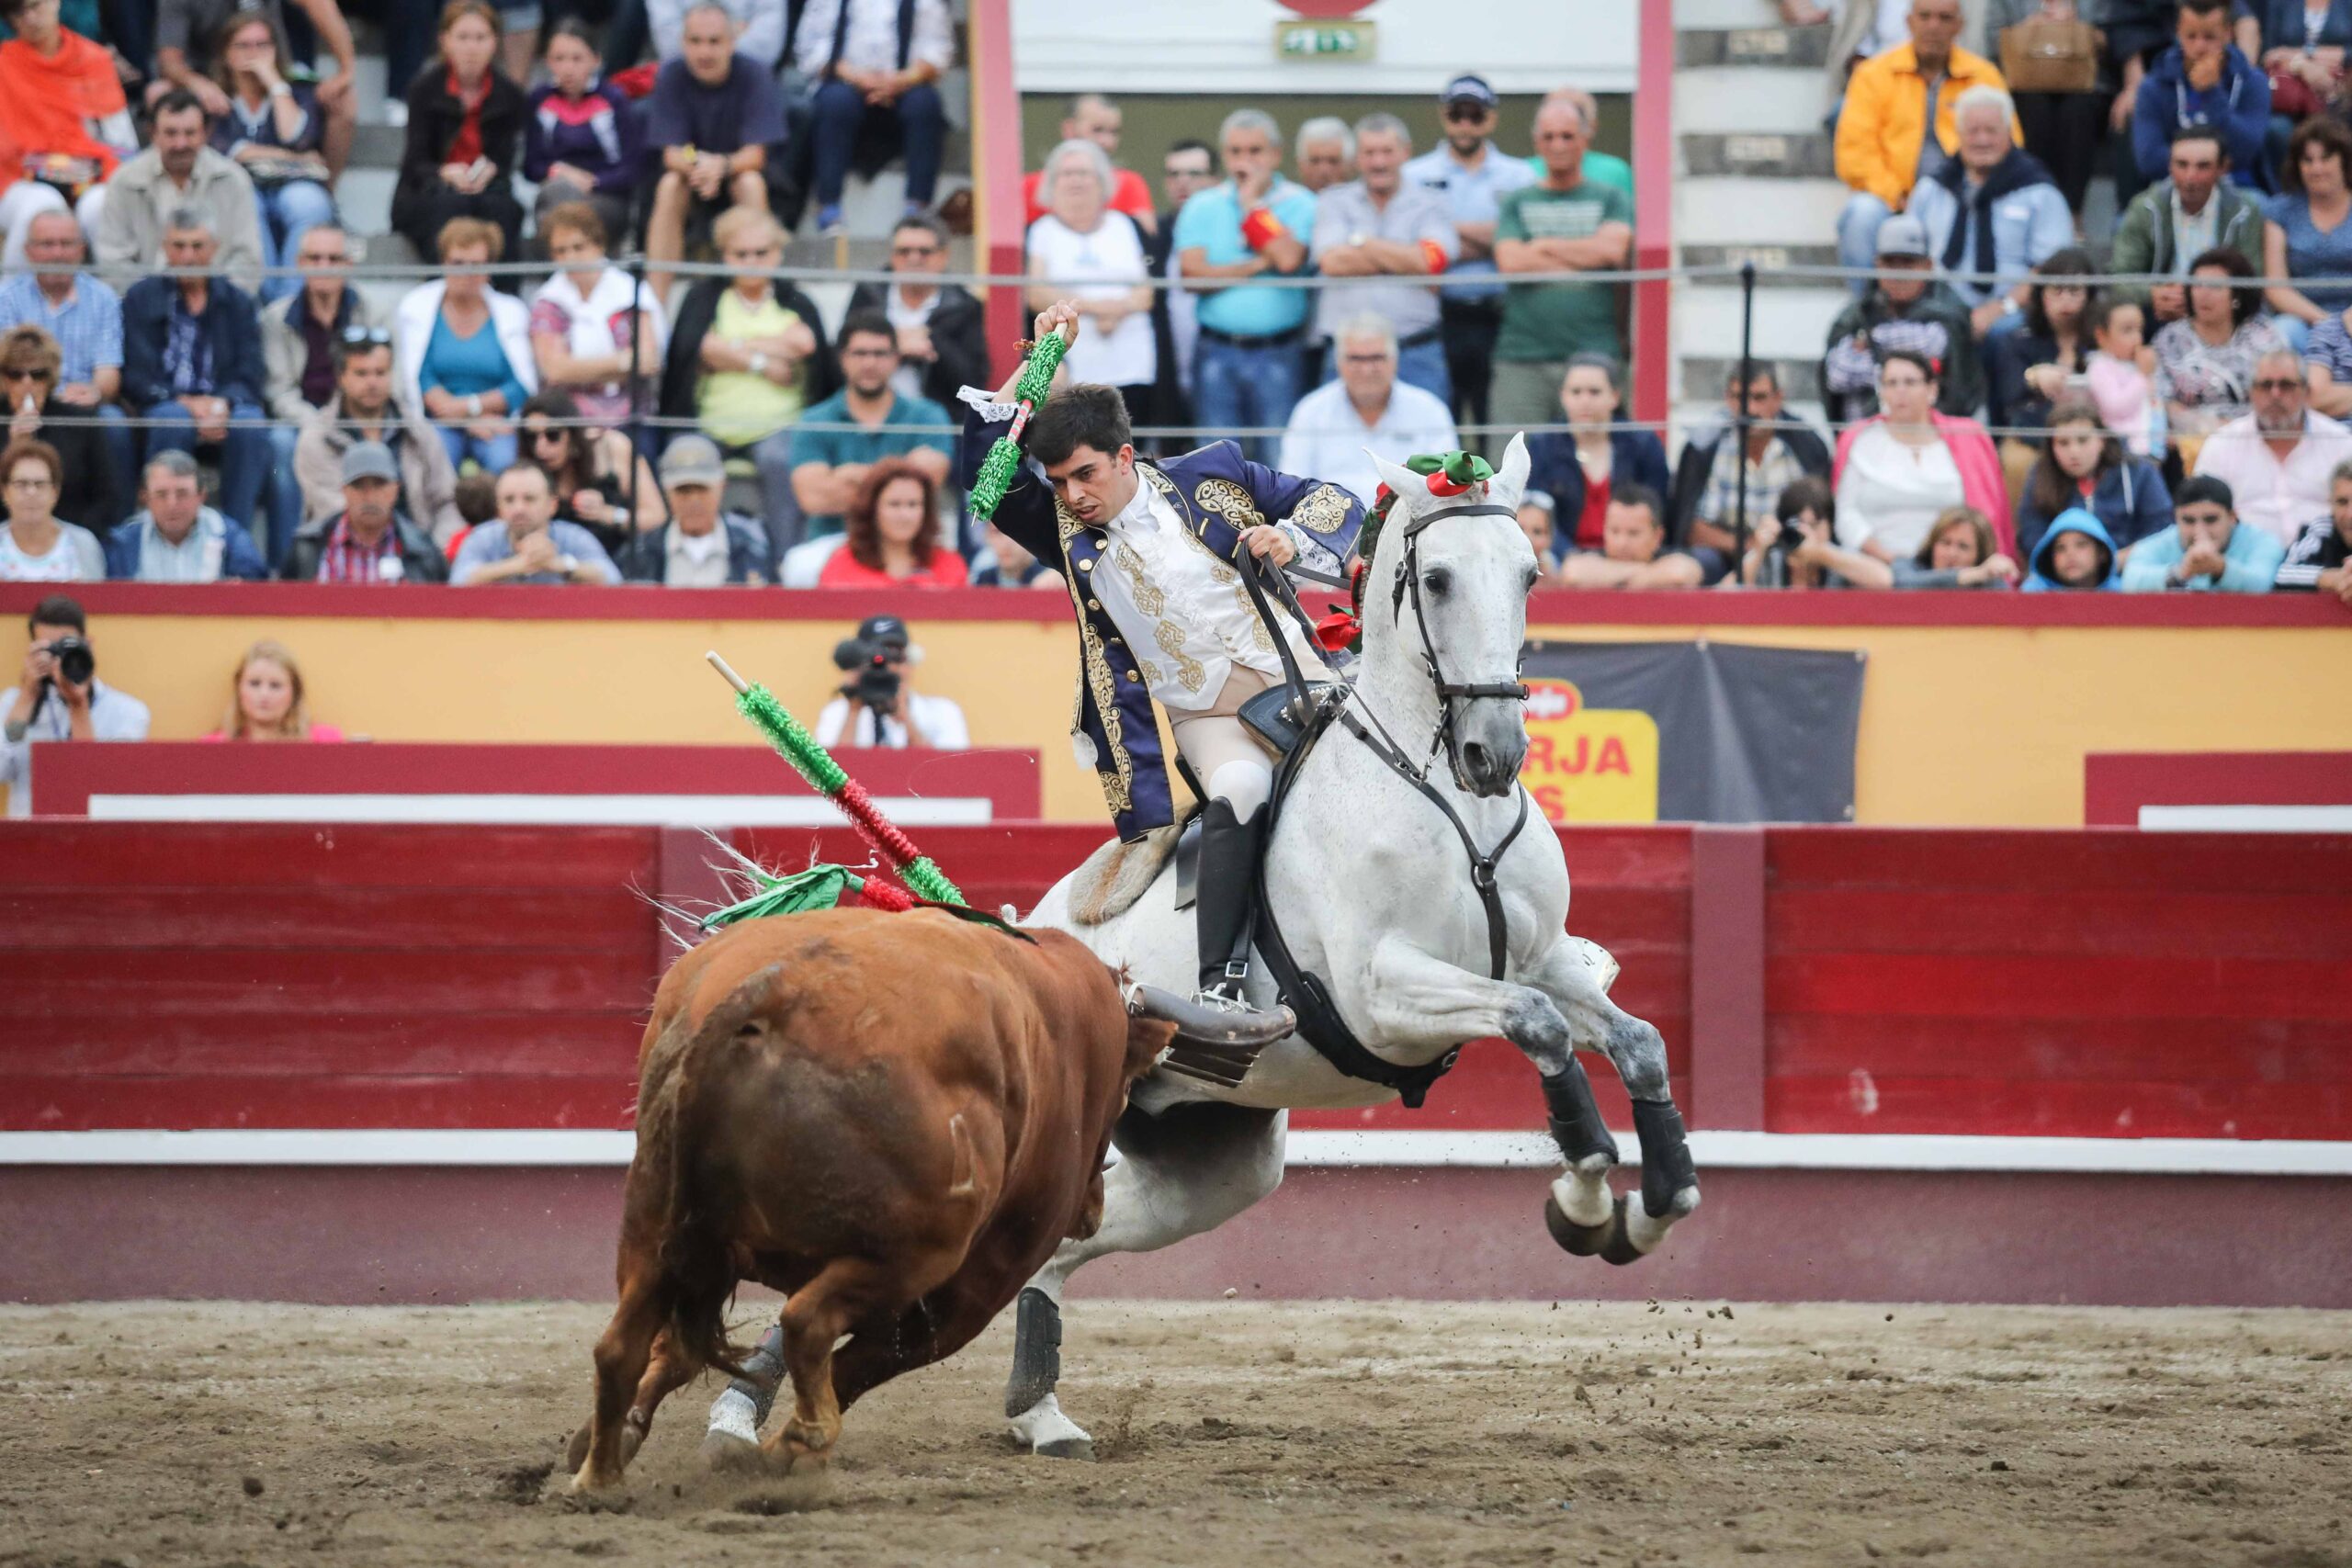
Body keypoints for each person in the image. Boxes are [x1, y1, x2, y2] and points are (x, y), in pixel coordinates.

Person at [964, 299, 1364, 1008]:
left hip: (1307, 682)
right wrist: (1040, 361)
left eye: (1085, 474)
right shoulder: (1058, 529)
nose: (1072, 495)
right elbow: (982, 465)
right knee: (1239, 791)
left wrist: (1292, 539)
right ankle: (1221, 987)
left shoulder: (1215, 471)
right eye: (1058, 481)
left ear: (1124, 456)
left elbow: (1332, 498)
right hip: (1211, 719)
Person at [660, 205, 839, 563]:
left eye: (761, 253)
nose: (751, 261)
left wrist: (730, 351)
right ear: (724, 255)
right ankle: (678, 564)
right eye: (740, 254)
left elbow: (806, 346)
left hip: (779, 428)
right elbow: (696, 347)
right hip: (708, 426)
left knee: (783, 458)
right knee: (684, 457)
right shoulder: (704, 299)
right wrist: (765, 360)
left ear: (777, 254)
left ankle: (787, 564)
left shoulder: (795, 302)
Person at [1833, 0, 2010, 294]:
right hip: (1893, 201)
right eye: (1925, 16)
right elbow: (1854, 154)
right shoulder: (1873, 74)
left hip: (1963, 197)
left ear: (1959, 25)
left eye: (1944, 18)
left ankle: (1963, 315)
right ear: (1909, 21)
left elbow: (2008, 143)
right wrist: (1899, 196)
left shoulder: (1983, 76)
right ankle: (1865, 311)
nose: (1933, 26)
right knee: (1860, 214)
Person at [1173, 108, 1319, 460]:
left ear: (1276, 154)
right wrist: (1257, 263)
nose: (1245, 161)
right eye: (1235, 152)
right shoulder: (1202, 204)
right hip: (1216, 351)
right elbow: (1192, 276)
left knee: (1280, 458)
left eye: (1255, 151)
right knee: (1215, 461)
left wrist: (1251, 205)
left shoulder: (1300, 203)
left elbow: (1286, 259)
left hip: (1279, 351)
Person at [119, 211, 270, 540]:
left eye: (197, 246)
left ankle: (236, 537)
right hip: (166, 403)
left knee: (251, 423)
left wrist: (223, 403)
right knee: (171, 418)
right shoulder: (141, 298)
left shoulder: (238, 301)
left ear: (214, 248)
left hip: (224, 404)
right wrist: (186, 404)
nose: (188, 256)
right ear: (165, 248)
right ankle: (160, 532)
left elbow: (251, 369)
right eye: (179, 246)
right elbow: (136, 374)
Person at [1491, 95, 1635, 432]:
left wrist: (1544, 246)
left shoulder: (1610, 197)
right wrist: (1585, 257)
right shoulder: (1517, 201)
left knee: (1600, 462)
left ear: (1585, 140)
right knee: (1508, 471)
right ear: (1537, 142)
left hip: (1596, 354)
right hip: (1523, 357)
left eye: (1568, 136)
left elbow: (1612, 252)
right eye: (1549, 136)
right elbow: (1511, 262)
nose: (1558, 145)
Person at [1406, 73, 1536, 439]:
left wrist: (1445, 232)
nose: (1465, 123)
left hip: (1500, 316)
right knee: (1438, 420)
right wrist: (1492, 236)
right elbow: (1413, 247)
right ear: (1443, 116)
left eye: (1475, 114)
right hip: (1438, 316)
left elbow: (1521, 244)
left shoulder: (1520, 175)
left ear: (1491, 118)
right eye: (1456, 114)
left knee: (1493, 423)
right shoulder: (1414, 174)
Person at [1308, 113, 1457, 404]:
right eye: (1369, 153)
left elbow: (1430, 263)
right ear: (1356, 159)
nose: (1379, 162)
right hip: (1345, 357)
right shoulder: (1332, 201)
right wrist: (1403, 257)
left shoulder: (1432, 203)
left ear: (1405, 152)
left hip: (1415, 351)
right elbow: (1332, 262)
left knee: (1429, 448)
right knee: (1339, 448)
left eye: (1387, 151)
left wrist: (1359, 242)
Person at [1905, 85, 2073, 340]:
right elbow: (1909, 259)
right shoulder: (1931, 190)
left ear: (2008, 133)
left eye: (1991, 131)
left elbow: (2052, 268)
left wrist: (2000, 309)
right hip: (1937, 309)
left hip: (2013, 313)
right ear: (1958, 134)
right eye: (1973, 131)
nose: (1982, 140)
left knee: (2004, 335)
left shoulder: (2039, 193)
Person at [645, 3, 784, 299]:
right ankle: (655, 307)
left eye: (714, 41)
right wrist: (702, 165)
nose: (704, 52)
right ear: (683, 43)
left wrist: (719, 165)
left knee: (750, 181)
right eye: (695, 41)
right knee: (670, 184)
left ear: (732, 42)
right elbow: (672, 153)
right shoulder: (671, 73)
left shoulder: (755, 73)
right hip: (693, 178)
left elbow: (756, 154)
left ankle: (761, 296)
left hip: (737, 175)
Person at [788, 0, 955, 235]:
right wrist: (858, 78)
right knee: (834, 102)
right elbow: (811, 46)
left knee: (926, 104)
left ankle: (918, 208)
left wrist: (900, 80)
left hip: (904, 85)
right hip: (845, 82)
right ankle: (828, 206)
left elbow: (938, 49)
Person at [1833, 348, 2014, 561]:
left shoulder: (1968, 437)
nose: (1900, 390)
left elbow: (1984, 517)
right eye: (1891, 383)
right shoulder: (1859, 439)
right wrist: (1892, 562)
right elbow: (1845, 515)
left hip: (1953, 568)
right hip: (1875, 569)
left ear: (1932, 389)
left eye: (1910, 382)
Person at [788, 310, 953, 541]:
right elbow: (812, 498)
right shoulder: (814, 420)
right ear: (842, 358)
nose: (869, 363)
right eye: (860, 353)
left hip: (909, 544)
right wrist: (899, 475)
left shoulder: (928, 416)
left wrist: (847, 476)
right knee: (799, 567)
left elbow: (929, 483)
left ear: (897, 358)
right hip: (833, 541)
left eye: (880, 353)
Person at [1025, 138, 1157, 425]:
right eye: (1067, 174)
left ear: (1101, 180)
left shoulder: (1125, 225)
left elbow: (1146, 293)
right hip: (1073, 363)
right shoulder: (1042, 231)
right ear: (1051, 183)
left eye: (1084, 173)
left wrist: (1116, 310)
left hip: (1131, 360)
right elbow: (1036, 294)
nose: (1076, 181)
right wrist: (1100, 308)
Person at [208, 9, 334, 305]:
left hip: (291, 186)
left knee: (309, 201)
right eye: (244, 46)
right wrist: (293, 158)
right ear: (226, 53)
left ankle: (287, 302)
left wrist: (275, 83)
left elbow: (297, 137)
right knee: (246, 200)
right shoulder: (216, 97)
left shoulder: (299, 91)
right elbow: (230, 152)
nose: (255, 54)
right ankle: (260, 295)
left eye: (263, 45)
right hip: (240, 187)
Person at [395, 215, 537, 476]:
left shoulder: (513, 311)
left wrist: (469, 408)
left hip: (496, 422)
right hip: (437, 421)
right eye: (458, 263)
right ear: (443, 262)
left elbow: (521, 384)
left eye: (476, 264)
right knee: (436, 462)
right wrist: (465, 419)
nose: (466, 273)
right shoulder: (415, 307)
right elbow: (417, 375)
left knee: (504, 463)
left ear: (490, 266)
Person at [153, 0, 358, 181]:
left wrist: (346, 69)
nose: (251, 53)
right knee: (159, 93)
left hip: (275, 72)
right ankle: (177, 191)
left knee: (345, 99)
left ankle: (324, 195)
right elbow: (168, 61)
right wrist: (198, 84)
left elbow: (318, 2)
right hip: (210, 76)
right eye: (245, 47)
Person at [389, 0, 526, 265]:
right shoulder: (423, 89)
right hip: (428, 190)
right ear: (445, 41)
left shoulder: (509, 95)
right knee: (450, 206)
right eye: (462, 37)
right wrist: (444, 173)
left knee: (504, 209)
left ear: (494, 42)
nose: (471, 47)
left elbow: (505, 159)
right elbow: (416, 162)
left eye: (480, 37)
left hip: (485, 189)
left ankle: (504, 296)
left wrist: (490, 170)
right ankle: (443, 290)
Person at [92, 88, 266, 297]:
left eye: (190, 133)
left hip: (220, 311)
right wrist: (149, 304)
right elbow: (113, 262)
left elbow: (247, 260)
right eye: (171, 133)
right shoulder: (124, 181)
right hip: (144, 312)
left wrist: (213, 305)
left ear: (205, 133)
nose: (180, 143)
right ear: (152, 132)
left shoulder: (233, 180)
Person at [294, 332, 465, 542]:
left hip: (418, 553)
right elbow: (331, 509)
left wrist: (435, 551)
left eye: (380, 372)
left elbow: (448, 500)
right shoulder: (317, 435)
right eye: (361, 373)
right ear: (341, 377)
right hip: (344, 554)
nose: (372, 382)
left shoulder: (418, 430)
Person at [1276, 313, 1459, 507]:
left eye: (1376, 358)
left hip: (1409, 527)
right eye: (1356, 359)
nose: (1366, 370)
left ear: (1394, 360)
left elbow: (1447, 485)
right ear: (1338, 362)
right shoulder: (1310, 412)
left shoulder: (1429, 410)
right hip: (1330, 529)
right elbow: (1293, 488)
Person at [0, 0, 133, 266]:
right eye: (18, 12)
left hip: (90, 175)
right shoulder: (4, 63)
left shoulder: (94, 59)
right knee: (41, 205)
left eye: (35, 6)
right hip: (17, 178)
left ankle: (120, 300)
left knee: (102, 205)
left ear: (56, 3)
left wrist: (88, 166)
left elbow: (122, 144)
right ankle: (8, 302)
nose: (29, 18)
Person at [1821, 211, 1987, 423]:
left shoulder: (1948, 308)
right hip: (1866, 437)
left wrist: (1870, 345)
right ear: (1877, 265)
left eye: (1908, 262)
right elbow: (1838, 374)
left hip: (1934, 438)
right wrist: (1912, 364)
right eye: (1890, 262)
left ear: (1928, 266)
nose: (1899, 273)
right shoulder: (1859, 312)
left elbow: (1936, 344)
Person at [1668, 362, 1834, 566]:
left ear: (1778, 398)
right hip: (1726, 559)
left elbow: (1822, 523)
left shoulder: (1806, 445)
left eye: (1759, 397)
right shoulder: (1706, 446)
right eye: (1740, 397)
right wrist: (1750, 546)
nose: (1750, 409)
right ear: (1727, 398)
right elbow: (1692, 530)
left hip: (1790, 556)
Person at [1, 593, 150, 817]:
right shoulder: (14, 702)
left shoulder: (128, 712)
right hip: (29, 836)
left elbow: (102, 785)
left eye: (67, 648)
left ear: (88, 645)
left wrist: (77, 705)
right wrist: (27, 697)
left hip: (93, 840)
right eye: (50, 651)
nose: (59, 660)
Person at [2191, 345, 2352, 546]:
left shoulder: (2341, 442)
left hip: (2326, 565)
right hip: (2246, 567)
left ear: (2306, 392)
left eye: (2285, 385)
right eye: (2265, 385)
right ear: (2250, 393)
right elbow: (2198, 515)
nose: (2275, 394)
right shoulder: (2222, 444)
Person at [529, 201, 664, 435]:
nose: (570, 258)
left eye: (578, 247)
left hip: (631, 419)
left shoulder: (632, 291)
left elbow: (648, 360)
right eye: (561, 251)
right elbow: (555, 371)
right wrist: (623, 361)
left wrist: (577, 368)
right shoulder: (548, 301)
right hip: (569, 424)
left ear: (598, 245)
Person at [2109, 127, 2265, 326]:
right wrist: (2154, 293)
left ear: (2223, 168)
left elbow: (2253, 281)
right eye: (2181, 165)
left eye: (2203, 166)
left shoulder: (2243, 211)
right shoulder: (2145, 207)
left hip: (2222, 316)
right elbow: (2119, 277)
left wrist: (2212, 298)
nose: (2190, 177)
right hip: (2158, 314)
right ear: (2169, 166)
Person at [0, 213, 122, 451]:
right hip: (19, 396)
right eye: (47, 244)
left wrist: (94, 391)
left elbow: (109, 371)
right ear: (28, 251)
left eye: (66, 244)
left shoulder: (104, 298)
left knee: (112, 422)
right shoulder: (6, 298)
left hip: (82, 403)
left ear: (81, 250)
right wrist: (30, 393)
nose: (57, 253)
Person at [1525, 354, 1668, 556]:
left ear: (1615, 397)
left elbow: (1657, 511)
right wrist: (1569, 558)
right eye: (1576, 392)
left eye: (1594, 392)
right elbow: (1534, 516)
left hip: (1633, 557)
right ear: (1562, 396)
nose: (1585, 401)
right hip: (1562, 561)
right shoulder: (1542, 444)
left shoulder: (1644, 443)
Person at [523, 19, 644, 247]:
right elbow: (531, 166)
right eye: (559, 59)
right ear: (548, 61)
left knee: (568, 208)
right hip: (555, 191)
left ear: (596, 60)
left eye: (577, 59)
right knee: (559, 192)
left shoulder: (614, 100)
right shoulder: (540, 100)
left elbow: (632, 168)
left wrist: (593, 182)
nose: (568, 68)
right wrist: (558, 171)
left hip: (607, 198)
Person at [848, 213, 988, 411]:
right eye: (904, 251)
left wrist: (932, 342)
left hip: (938, 426)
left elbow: (972, 381)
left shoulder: (965, 306)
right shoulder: (867, 294)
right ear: (892, 256)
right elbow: (841, 359)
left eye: (924, 251)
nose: (914, 259)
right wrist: (894, 344)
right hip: (866, 419)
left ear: (944, 256)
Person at [1984, 0, 2109, 215]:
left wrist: (2076, 30)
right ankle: (2032, 200)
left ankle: (2072, 211)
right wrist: (2030, 28)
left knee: (2078, 111)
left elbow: (2109, 40)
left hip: (2080, 83)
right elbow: (1994, 42)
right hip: (2024, 84)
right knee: (2034, 109)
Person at [2129, 0, 2269, 189]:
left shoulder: (2253, 81)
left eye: (2210, 37)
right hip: (2171, 189)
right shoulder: (2153, 85)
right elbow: (2149, 159)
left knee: (2265, 211)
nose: (2199, 47)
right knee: (2124, 220)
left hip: (2237, 189)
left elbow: (2245, 152)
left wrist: (2211, 93)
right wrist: (2204, 164)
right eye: (2191, 36)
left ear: (2228, 33)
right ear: (2178, 31)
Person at [2156, 246, 2289, 439]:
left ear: (2236, 296)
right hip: (2192, 441)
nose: (2203, 294)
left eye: (2215, 286)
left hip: (2257, 437)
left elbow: (2282, 393)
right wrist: (2210, 429)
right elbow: (2163, 402)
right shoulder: (2170, 339)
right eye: (2197, 285)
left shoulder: (2264, 335)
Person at [2013, 401, 2175, 559]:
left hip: (2129, 574)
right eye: (2063, 443)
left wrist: (2115, 561)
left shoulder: (2140, 472)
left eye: (2083, 440)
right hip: (2061, 576)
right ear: (2051, 447)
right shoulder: (2040, 474)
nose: (2074, 452)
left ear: (2102, 441)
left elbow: (2160, 530)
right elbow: (2031, 534)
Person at [0, 323, 120, 534]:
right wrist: (13, 449)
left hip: (72, 537)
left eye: (38, 374)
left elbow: (106, 497)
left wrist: (73, 538)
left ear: (50, 378)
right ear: (4, 379)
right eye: (16, 374)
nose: (27, 382)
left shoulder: (78, 421)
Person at [519, 389, 665, 555]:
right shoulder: (524, 473)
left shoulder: (611, 448)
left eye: (552, 435)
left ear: (572, 432)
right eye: (531, 437)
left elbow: (656, 516)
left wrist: (607, 514)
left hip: (614, 561)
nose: (541, 447)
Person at [282, 438, 450, 582]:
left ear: (395, 490)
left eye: (379, 485)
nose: (369, 496)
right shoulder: (307, 547)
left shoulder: (424, 552)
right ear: (344, 490)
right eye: (358, 485)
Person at [619, 434, 766, 585]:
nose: (693, 500)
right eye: (683, 490)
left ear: (722, 486)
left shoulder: (754, 547)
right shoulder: (640, 552)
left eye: (702, 488)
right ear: (666, 491)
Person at [103, 449, 268, 581]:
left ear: (201, 496)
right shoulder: (124, 542)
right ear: (146, 498)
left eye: (182, 494)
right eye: (161, 494)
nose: (172, 504)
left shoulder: (230, 537)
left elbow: (254, 587)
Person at [1984, 247, 2094, 447]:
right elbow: (2008, 395)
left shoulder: (2101, 337)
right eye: (2057, 291)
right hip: (2036, 435)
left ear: (2089, 295)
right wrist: (2034, 377)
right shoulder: (2018, 339)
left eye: (2074, 291)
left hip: (2092, 436)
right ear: (2042, 295)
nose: (2065, 300)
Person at [812, 613, 969, 750]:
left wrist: (905, 717)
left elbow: (948, 774)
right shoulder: (837, 713)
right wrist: (853, 710)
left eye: (895, 658)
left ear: (909, 662)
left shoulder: (943, 712)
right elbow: (828, 775)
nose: (889, 668)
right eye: (877, 661)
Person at [2262, 116, 2352, 354]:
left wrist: (2346, 322)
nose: (2317, 169)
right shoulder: (2280, 210)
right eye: (2308, 160)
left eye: (2326, 158)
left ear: (2344, 160)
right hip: (2302, 321)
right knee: (2281, 332)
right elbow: (2276, 287)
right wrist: (2326, 323)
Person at [450, 459, 621, 583]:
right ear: (498, 508)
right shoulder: (482, 538)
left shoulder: (573, 537)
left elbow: (614, 580)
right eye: (509, 500)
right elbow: (457, 583)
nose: (519, 509)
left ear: (552, 505)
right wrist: (516, 565)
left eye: (529, 499)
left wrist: (559, 564)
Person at [816, 456, 967, 588]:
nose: (905, 515)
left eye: (913, 504)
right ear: (872, 509)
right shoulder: (842, 565)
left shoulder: (949, 564)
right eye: (894, 504)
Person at [2120, 471, 2288, 589]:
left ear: (2232, 517)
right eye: (2188, 520)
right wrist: (2180, 573)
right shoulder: (2161, 542)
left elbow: (2263, 582)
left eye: (2211, 519)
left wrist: (2219, 568)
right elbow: (2130, 580)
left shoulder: (2262, 541)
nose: (2199, 530)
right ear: (2175, 519)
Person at [1149, 138, 1217, 424]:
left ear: (1215, 179)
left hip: (1216, 358)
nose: (1183, 183)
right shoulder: (1154, 233)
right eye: (1174, 174)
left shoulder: (1226, 229)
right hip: (1167, 368)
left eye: (1194, 174)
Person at [1019, 94, 1156, 231]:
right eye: (1097, 130)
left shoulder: (1129, 183)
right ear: (1069, 129)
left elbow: (1145, 238)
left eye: (1114, 132)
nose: (1107, 142)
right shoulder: (1031, 186)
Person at [1555, 486, 1703, 590]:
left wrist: (1608, 578)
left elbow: (1680, 575)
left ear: (1658, 537)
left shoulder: (1672, 558)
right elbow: (1572, 574)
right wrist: (1645, 573)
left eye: (1633, 533)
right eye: (1615, 531)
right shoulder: (1589, 558)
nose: (1622, 543)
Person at [0, 436, 102, 579]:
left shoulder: (83, 544)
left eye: (40, 484)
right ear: (4, 491)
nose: (31, 493)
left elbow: (97, 599)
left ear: (55, 491)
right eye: (21, 484)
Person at [206, 637, 345, 741]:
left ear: (294, 693)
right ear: (239, 689)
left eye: (275, 685)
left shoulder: (325, 741)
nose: (264, 694)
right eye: (254, 684)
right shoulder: (213, 746)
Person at [2085, 297, 2164, 459]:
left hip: (2153, 448)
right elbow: (2115, 408)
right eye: (2127, 330)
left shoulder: (2139, 365)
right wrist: (2142, 376)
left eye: (2139, 330)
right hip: (2123, 451)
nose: (2137, 338)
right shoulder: (2100, 367)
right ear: (2101, 336)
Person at [2274, 457, 2352, 595]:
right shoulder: (2322, 528)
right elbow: (2282, 573)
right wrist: (2334, 578)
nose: (2350, 514)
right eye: (2342, 502)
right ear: (2330, 504)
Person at [645, 0, 787, 67]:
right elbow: (670, 47)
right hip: (681, 80)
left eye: (716, 40)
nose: (707, 52)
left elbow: (766, 49)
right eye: (696, 39)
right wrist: (730, 34)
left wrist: (697, 36)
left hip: (751, 81)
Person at [2021, 504, 2122, 591]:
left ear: (2102, 553)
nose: (2070, 554)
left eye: (2081, 544)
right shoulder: (2034, 594)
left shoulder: (2123, 593)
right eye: (2060, 548)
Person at [1294, 117, 1352, 196]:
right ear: (1300, 165)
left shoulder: (1367, 206)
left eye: (1333, 161)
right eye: (1315, 161)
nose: (1324, 170)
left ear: (1350, 165)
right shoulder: (1285, 203)